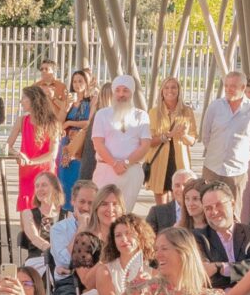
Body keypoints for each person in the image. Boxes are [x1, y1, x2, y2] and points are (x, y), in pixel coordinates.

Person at [200, 70, 250, 216]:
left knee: (233, 211)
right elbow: (206, 135)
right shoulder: (215, 107)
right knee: (207, 208)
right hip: (212, 166)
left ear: (243, 88)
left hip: (237, 171)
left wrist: (240, 157)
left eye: (233, 86)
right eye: (226, 86)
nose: (229, 89)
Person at [89, 75, 151, 204]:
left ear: (132, 93)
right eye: (117, 90)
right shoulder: (102, 114)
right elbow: (98, 144)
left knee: (124, 214)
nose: (121, 94)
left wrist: (126, 163)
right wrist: (114, 163)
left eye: (125, 90)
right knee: (101, 210)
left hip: (132, 171)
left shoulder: (141, 115)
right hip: (105, 170)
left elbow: (145, 145)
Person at [13, 83, 60, 216]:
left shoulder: (52, 123)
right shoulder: (22, 120)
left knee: (45, 212)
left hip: (44, 172)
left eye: (24, 98)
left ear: (33, 100)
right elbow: (7, 146)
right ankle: (26, 236)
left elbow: (53, 154)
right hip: (26, 172)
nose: (21, 101)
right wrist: (17, 155)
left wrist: (30, 161)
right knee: (26, 211)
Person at [146, 77, 198, 191]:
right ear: (162, 91)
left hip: (180, 162)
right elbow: (149, 142)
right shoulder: (153, 112)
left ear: (179, 90)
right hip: (158, 161)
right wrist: (169, 135)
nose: (170, 90)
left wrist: (184, 135)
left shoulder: (187, 112)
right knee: (161, 204)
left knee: (180, 201)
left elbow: (193, 140)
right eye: (166, 87)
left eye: (174, 87)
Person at [58, 68, 96, 204]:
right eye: (74, 81)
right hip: (66, 143)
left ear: (86, 83)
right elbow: (59, 122)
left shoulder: (92, 100)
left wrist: (70, 122)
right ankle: (64, 210)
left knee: (77, 176)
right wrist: (66, 107)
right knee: (64, 178)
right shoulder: (69, 100)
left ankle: (76, 208)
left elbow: (90, 122)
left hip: (80, 143)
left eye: (80, 81)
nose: (77, 84)